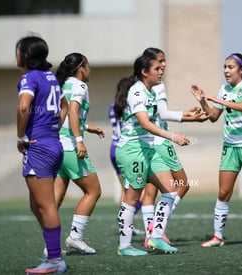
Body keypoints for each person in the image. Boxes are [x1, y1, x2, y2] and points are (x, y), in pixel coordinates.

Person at [191, 53, 242, 246]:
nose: (226, 71)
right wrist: (203, 101)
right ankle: (218, 236)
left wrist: (219, 100)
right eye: (225, 67)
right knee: (223, 193)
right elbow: (213, 117)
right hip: (230, 146)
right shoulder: (224, 89)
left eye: (231, 67)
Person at [114, 53, 190, 256]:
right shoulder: (137, 91)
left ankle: (156, 237)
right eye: (157, 68)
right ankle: (124, 246)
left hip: (149, 150)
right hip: (132, 150)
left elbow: (160, 116)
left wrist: (187, 116)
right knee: (132, 199)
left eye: (162, 67)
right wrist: (172, 136)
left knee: (171, 190)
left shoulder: (151, 91)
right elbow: (145, 123)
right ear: (144, 72)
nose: (161, 70)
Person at [139, 47, 208, 248]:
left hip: (150, 141)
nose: (164, 65)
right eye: (160, 61)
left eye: (165, 61)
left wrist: (187, 115)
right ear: (150, 64)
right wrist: (187, 118)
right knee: (182, 184)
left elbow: (159, 113)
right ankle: (158, 228)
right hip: (161, 142)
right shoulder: (157, 85)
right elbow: (163, 114)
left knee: (150, 190)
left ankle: (150, 232)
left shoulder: (143, 85)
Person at [16, 35, 67, 274]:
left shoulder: (29, 77)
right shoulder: (51, 77)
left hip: (39, 147)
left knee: (46, 206)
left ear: (25, 55)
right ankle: (53, 252)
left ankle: (55, 260)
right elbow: (65, 105)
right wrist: (54, 127)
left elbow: (24, 106)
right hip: (53, 144)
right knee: (37, 205)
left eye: (18, 50)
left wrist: (21, 137)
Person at [52, 53, 104, 254]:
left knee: (55, 200)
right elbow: (72, 112)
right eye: (88, 65)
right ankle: (75, 237)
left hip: (58, 148)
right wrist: (79, 140)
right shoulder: (80, 86)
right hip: (70, 148)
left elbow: (66, 117)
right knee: (93, 191)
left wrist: (87, 127)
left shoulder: (63, 85)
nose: (90, 70)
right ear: (81, 67)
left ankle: (52, 247)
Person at [109, 77, 145, 236]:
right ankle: (124, 219)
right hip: (126, 148)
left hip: (114, 148)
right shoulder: (129, 106)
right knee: (138, 192)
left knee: (126, 190)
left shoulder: (113, 106)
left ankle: (126, 224)